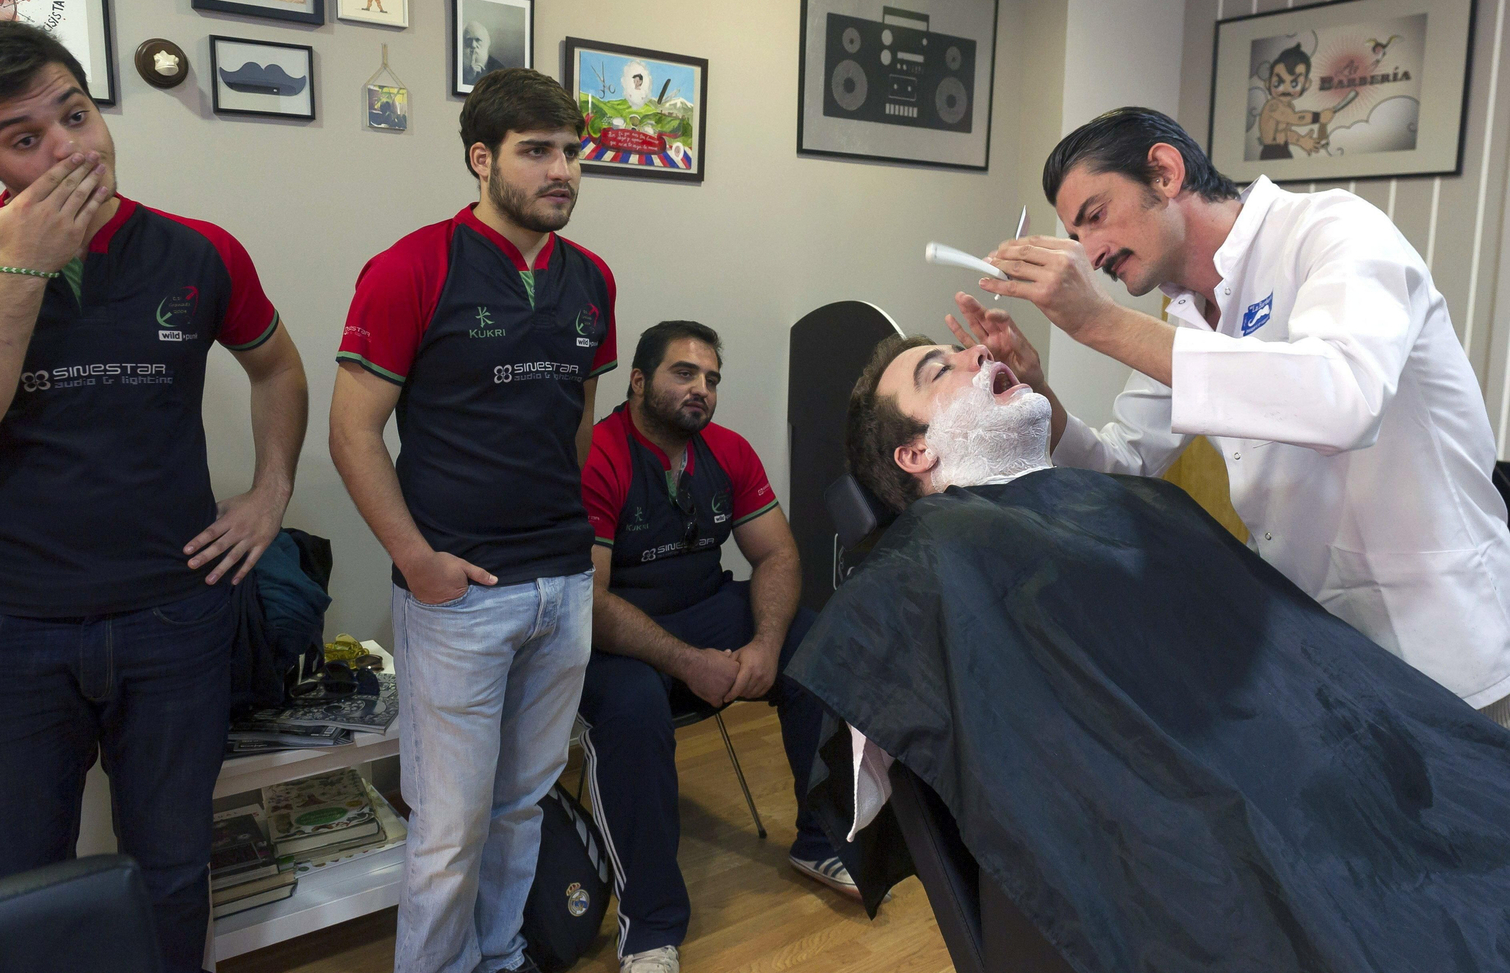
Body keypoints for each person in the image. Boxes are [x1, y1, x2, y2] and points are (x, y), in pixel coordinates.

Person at [782, 331, 1510, 972]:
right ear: (916, 452)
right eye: (940, 368)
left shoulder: (1127, 503)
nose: (981, 353)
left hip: (1337, 764)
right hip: (1216, 827)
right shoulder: (931, 562)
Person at [0, 20, 308, 973]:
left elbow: (278, 367)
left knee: (171, 867)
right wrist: (23, 264)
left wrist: (269, 494)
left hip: (174, 618)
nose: (70, 151)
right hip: (10, 631)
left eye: (77, 115)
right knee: (21, 883)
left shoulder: (200, 251)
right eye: (25, 138)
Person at [954, 106, 1510, 722]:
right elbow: (1123, 460)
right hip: (1323, 647)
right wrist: (1037, 393)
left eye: (1095, 217)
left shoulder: (1334, 232)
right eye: (1078, 234)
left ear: (1165, 172)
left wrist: (1100, 323)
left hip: (1445, 644)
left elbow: (1343, 400)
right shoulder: (1185, 312)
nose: (1092, 253)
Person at [329, 67, 617, 973]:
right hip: (460, 595)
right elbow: (352, 432)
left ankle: (498, 960)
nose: (561, 169)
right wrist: (417, 561)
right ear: (482, 159)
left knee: (522, 806)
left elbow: (575, 422)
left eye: (571, 151)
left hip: (561, 585)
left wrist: (578, 558)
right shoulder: (412, 266)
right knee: (450, 828)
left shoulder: (592, 278)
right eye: (538, 151)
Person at [578, 321, 851, 973]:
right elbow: (586, 601)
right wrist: (686, 661)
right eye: (684, 373)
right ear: (639, 381)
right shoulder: (599, 454)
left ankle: (821, 839)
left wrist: (765, 642)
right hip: (614, 629)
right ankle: (650, 926)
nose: (701, 388)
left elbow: (778, 552)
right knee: (634, 707)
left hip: (705, 606)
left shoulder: (727, 451)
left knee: (814, 642)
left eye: (712, 378)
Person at [462, 20, 506, 86]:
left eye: (478, 40)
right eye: (469, 40)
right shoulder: (458, 65)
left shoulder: (499, 69)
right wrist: (469, 76)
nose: (473, 45)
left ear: (487, 42)